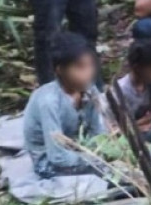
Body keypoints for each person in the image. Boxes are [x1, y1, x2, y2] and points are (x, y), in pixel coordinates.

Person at [23, 32, 105, 178]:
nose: (88, 72)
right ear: (60, 70)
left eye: (90, 65)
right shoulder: (49, 102)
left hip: (79, 148)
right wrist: (93, 160)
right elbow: (57, 156)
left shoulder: (90, 89)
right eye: (80, 67)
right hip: (49, 160)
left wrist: (101, 150)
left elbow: (97, 131)